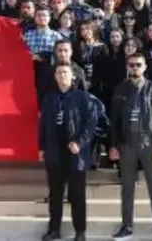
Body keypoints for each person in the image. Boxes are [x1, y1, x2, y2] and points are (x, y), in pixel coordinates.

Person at [38, 63, 108, 241]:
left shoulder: (83, 98)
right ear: (55, 76)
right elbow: (43, 125)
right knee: (55, 195)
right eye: (59, 72)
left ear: (73, 76)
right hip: (55, 152)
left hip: (76, 153)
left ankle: (80, 231)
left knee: (77, 196)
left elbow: (91, 125)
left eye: (65, 72)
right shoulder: (49, 99)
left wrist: (80, 142)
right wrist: (42, 147)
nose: (62, 75)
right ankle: (54, 229)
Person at [108, 51, 152, 241]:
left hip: (148, 143)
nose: (135, 68)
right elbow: (114, 121)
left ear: (145, 67)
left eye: (138, 64)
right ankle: (126, 226)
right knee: (127, 187)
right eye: (131, 65)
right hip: (126, 143)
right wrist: (113, 145)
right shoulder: (120, 89)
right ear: (127, 67)